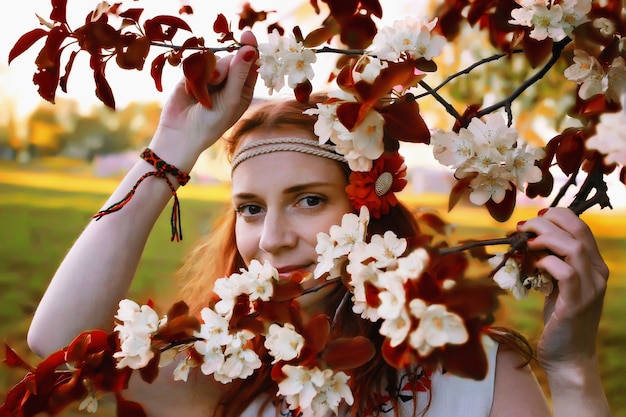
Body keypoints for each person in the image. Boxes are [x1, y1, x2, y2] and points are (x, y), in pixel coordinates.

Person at [26, 31, 610, 417]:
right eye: (251, 208)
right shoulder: (225, 365)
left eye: (308, 200)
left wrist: (572, 367)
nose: (273, 238)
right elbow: (60, 342)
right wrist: (171, 150)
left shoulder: (473, 370)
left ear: (369, 204)